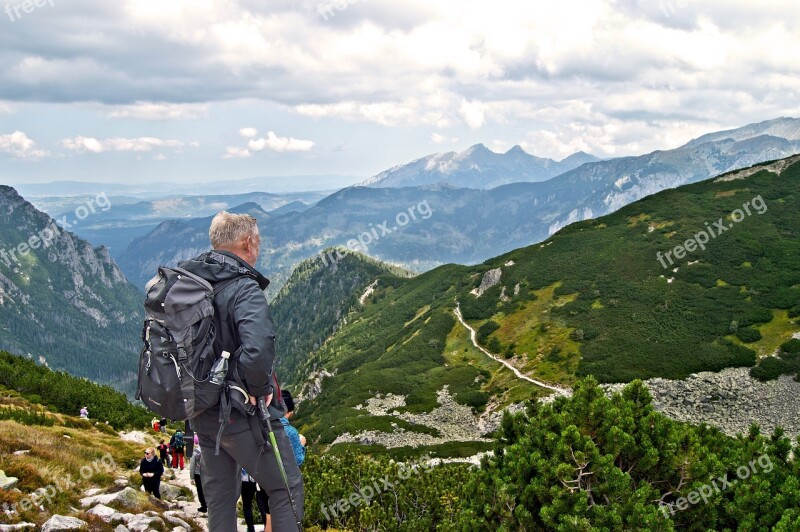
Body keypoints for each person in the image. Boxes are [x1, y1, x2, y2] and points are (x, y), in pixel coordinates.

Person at [179, 211, 304, 532]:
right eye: (258, 241)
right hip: (242, 414)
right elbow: (259, 347)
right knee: (284, 487)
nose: (259, 247)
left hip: (201, 411)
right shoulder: (243, 287)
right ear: (248, 242)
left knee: (220, 497)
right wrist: (259, 388)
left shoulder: (190, 281)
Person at [263, 390, 307, 532]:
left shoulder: (262, 426)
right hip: (284, 486)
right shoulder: (291, 431)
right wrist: (301, 445)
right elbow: (297, 461)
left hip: (264, 482)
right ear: (290, 411)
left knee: (269, 520)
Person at [190, 445, 208, 513]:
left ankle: (204, 506)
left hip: (198, 474)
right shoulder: (208, 449)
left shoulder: (195, 452)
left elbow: (192, 465)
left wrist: (192, 477)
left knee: (200, 491)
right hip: (207, 473)